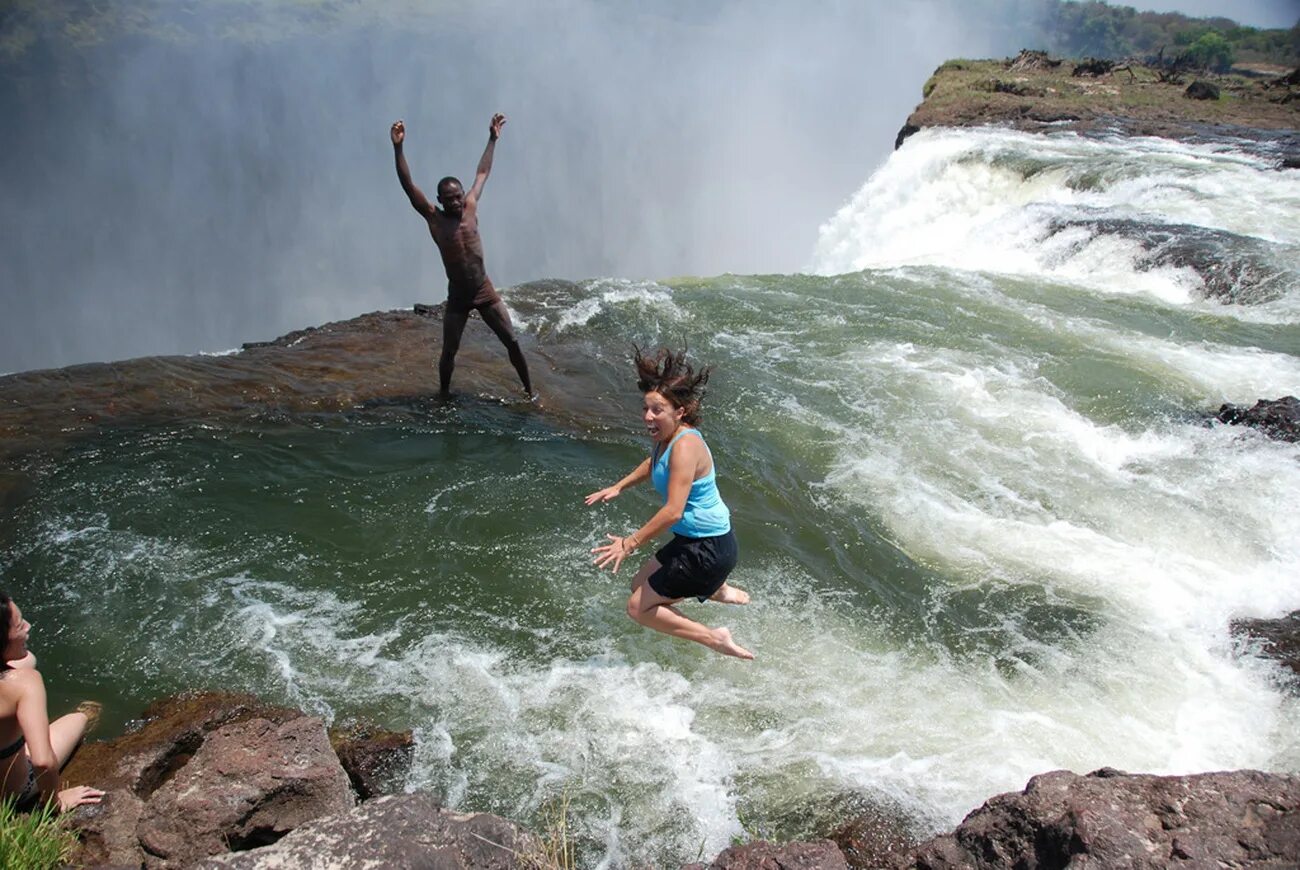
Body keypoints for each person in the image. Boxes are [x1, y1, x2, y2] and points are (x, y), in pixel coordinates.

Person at [586, 347, 753, 660]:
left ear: (680, 412)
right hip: (695, 541)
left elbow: (674, 510)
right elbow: (653, 464)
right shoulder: (667, 438)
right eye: (646, 408)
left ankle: (714, 637)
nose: (648, 416)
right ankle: (716, 589)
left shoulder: (686, 445)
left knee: (639, 608)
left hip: (709, 549)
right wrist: (619, 486)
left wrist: (629, 543)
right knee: (639, 584)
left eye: (657, 410)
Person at [391, 113, 534, 399]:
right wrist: (398, 148)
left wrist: (492, 139)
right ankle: (443, 395)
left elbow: (482, 173)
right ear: (440, 200)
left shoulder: (470, 207)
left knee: (513, 342)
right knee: (449, 351)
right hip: (457, 296)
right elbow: (408, 186)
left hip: (484, 289)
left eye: (458, 195)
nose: (456, 201)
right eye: (450, 198)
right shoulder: (434, 219)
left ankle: (531, 393)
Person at [0, 592, 104, 811]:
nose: (28, 627)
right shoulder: (25, 683)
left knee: (28, 660)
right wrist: (55, 803)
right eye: (19, 626)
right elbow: (42, 762)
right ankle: (86, 715)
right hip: (11, 793)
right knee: (80, 717)